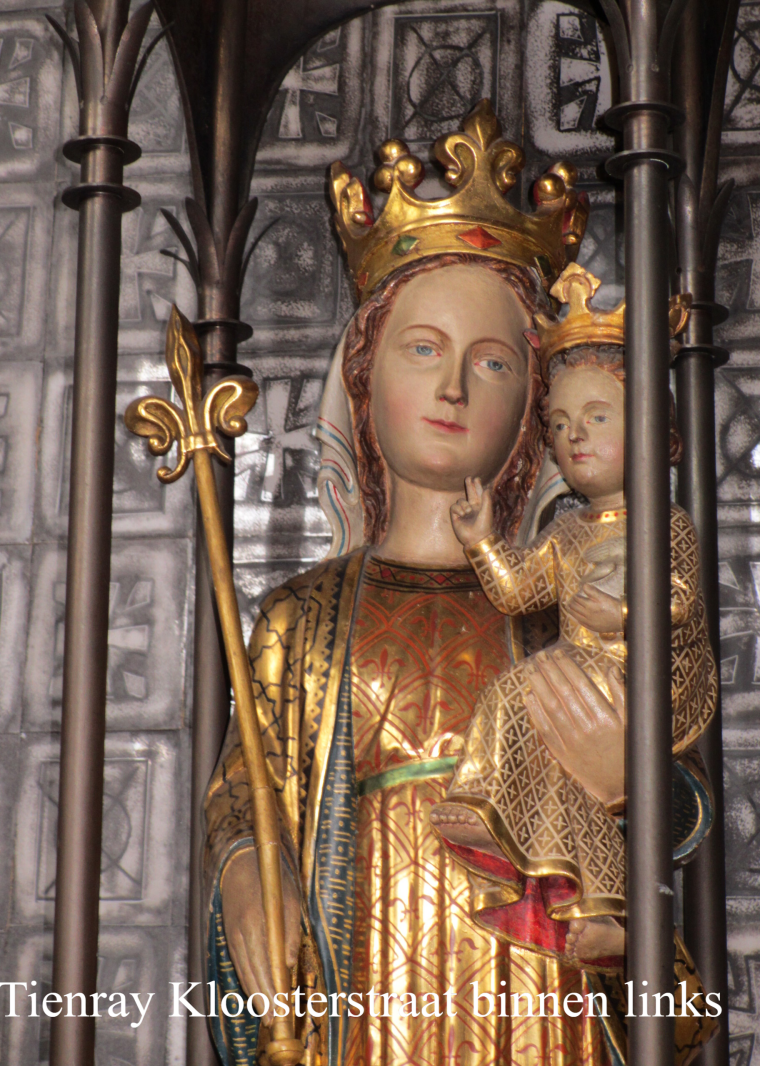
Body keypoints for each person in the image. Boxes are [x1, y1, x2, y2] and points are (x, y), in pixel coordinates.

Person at [201, 102, 707, 1066]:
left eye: (494, 362)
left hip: (537, 983)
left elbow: (679, 800)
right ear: (365, 378)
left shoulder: (569, 605)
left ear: (535, 406)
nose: (453, 390)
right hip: (371, 972)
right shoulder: (300, 620)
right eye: (423, 349)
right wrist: (245, 874)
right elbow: (245, 789)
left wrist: (627, 782)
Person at [429, 264, 718, 973]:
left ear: (653, 427)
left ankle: (607, 899)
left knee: (539, 704)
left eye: (596, 418)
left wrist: (624, 612)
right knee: (531, 727)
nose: (574, 437)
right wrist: (481, 542)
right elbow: (518, 593)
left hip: (644, 684)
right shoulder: (565, 531)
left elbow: (681, 596)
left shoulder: (664, 522)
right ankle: (595, 901)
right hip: (576, 677)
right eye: (558, 425)